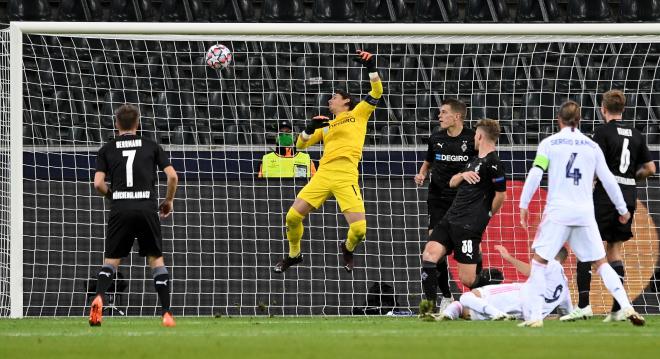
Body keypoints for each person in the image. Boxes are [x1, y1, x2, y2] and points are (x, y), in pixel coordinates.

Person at [518, 100, 645, 328]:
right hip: (585, 213)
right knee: (601, 262)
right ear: (580, 120)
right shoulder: (591, 146)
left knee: (539, 262)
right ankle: (627, 306)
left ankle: (536, 316)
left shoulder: (549, 143)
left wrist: (524, 204)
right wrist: (623, 209)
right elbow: (608, 179)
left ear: (559, 120)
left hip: (558, 211)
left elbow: (536, 174)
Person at [272, 50, 382, 273]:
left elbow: (377, 91)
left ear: (346, 101)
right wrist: (309, 128)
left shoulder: (358, 113)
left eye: (334, 97)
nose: (329, 100)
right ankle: (294, 255)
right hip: (323, 173)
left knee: (359, 229)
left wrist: (371, 67)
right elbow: (300, 146)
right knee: (292, 217)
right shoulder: (326, 126)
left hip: (346, 173)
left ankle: (348, 247)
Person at [561, 90, 656, 322]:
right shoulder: (636, 134)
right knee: (614, 250)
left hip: (605, 196)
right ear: (622, 109)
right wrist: (632, 177)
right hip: (628, 196)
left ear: (603, 109)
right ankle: (617, 310)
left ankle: (584, 305)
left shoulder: (602, 132)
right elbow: (651, 168)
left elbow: (593, 166)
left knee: (586, 247)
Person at [89, 104, 178, 327]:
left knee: (111, 262)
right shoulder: (151, 146)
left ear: (116, 123)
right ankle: (166, 313)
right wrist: (168, 201)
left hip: (121, 208)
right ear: (137, 124)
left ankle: (99, 297)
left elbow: (98, 183)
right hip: (147, 207)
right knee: (156, 260)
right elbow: (172, 177)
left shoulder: (106, 149)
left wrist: (113, 196)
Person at [419, 119, 507, 316]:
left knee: (468, 279)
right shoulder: (473, 161)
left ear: (480, 136)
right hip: (449, 219)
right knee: (429, 255)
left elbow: (501, 195)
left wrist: (488, 215)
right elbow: (452, 182)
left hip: (468, 227)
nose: (473, 137)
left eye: (475, 134)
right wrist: (463, 175)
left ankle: (493, 291)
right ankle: (429, 310)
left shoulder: (494, 163)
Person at [414, 98, 477, 312]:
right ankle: (446, 296)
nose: (439, 116)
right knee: (433, 248)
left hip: (462, 203)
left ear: (457, 116)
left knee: (466, 250)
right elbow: (429, 161)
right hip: (438, 200)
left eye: (443, 112)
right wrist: (422, 174)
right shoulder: (436, 138)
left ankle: (477, 299)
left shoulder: (472, 139)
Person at [437, 246, 572, 321]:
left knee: (466, 297)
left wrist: (509, 258)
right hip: (520, 311)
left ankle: (495, 313)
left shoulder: (551, 264)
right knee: (464, 307)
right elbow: (567, 313)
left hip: (515, 296)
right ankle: (448, 315)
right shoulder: (564, 286)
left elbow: (531, 271)